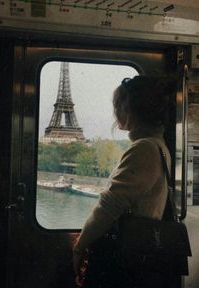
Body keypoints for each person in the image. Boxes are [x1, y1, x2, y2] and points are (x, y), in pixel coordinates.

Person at [73, 75, 175, 287]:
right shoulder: (157, 145)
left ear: (128, 108)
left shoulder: (144, 148)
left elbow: (108, 207)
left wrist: (79, 245)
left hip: (124, 259)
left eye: (117, 105)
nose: (115, 112)